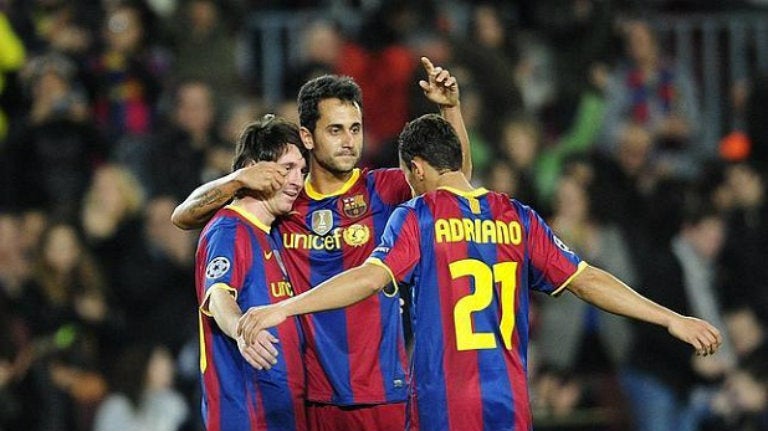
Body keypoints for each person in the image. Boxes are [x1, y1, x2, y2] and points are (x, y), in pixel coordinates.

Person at [237, 114, 723, 431]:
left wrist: (285, 306)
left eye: (409, 176)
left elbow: (368, 278)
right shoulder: (518, 216)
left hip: (444, 406)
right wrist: (670, 319)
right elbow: (588, 280)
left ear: (418, 168)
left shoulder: (419, 215)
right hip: (509, 403)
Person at [173, 57, 469, 431]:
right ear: (309, 136)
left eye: (356, 129)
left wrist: (450, 108)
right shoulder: (285, 200)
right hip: (310, 398)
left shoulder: (381, 189)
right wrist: (237, 180)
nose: (349, 141)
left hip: (380, 390)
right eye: (336, 130)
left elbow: (452, 185)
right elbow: (185, 217)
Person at [194, 114, 308, 431]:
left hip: (283, 416)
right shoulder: (230, 229)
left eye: (302, 170)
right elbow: (218, 296)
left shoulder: (277, 232)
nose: (297, 180)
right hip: (246, 417)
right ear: (253, 169)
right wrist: (241, 329)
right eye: (287, 168)